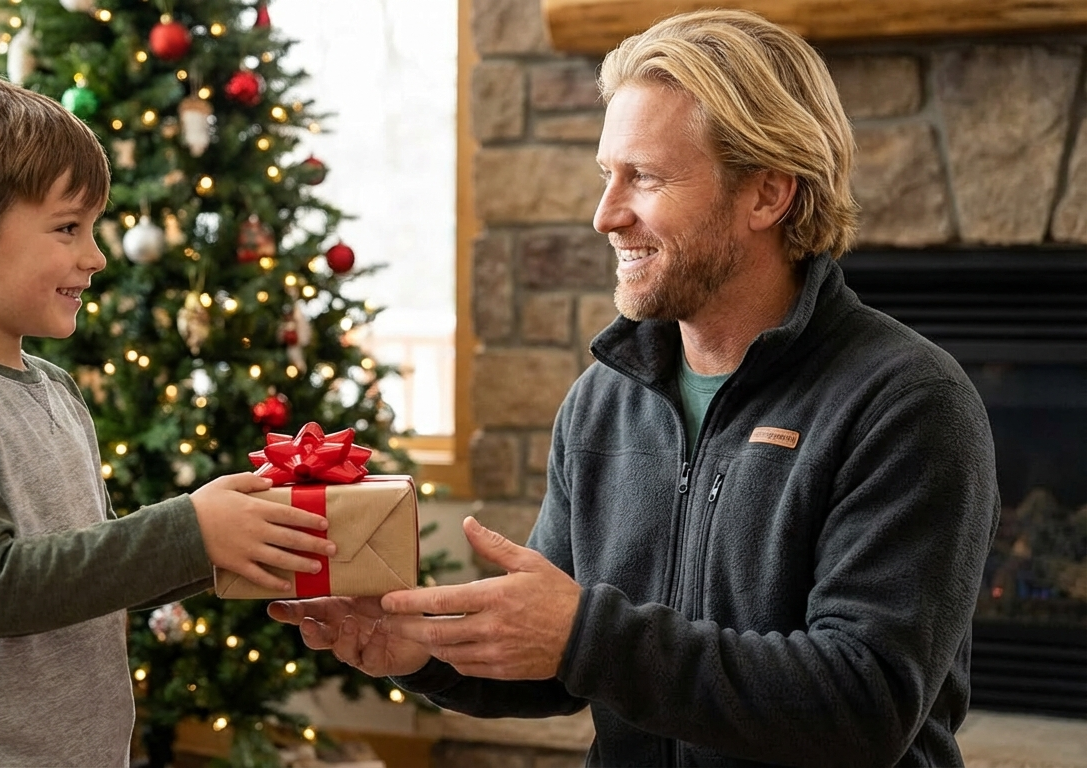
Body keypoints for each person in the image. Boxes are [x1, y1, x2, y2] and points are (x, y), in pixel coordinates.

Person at [269, 9, 999, 767]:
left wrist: (585, 633)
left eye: (644, 177)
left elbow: (864, 704)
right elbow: (564, 662)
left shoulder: (907, 403)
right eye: (605, 175)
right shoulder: (603, 401)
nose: (605, 215)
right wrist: (419, 650)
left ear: (767, 194)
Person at [0, 71, 337, 767]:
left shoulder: (52, 389)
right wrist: (188, 529)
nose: (96, 256)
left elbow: (89, 566)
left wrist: (222, 540)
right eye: (68, 228)